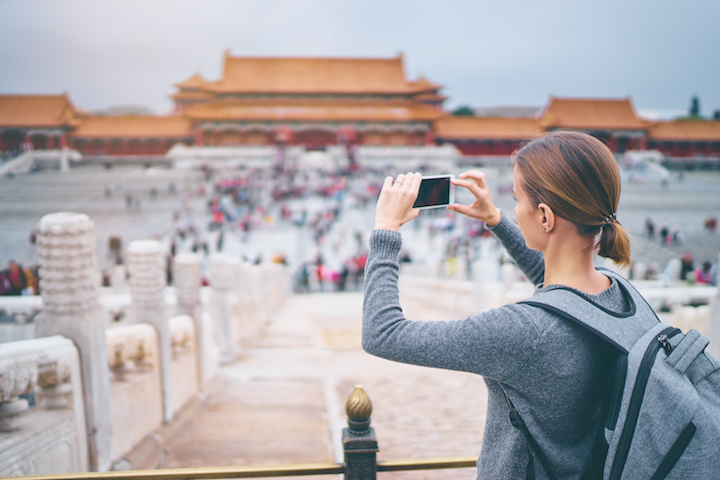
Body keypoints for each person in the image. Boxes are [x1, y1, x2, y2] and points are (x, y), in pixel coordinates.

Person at [363, 131, 633, 479]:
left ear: (545, 217)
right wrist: (495, 218)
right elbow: (559, 292)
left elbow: (381, 334)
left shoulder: (523, 332)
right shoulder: (621, 295)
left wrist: (385, 230)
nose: (514, 209)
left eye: (516, 199)